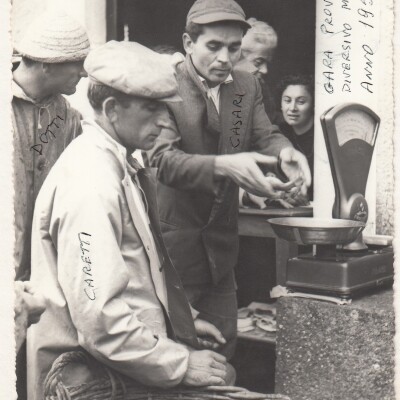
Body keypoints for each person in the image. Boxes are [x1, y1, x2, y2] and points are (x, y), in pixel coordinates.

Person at [27, 41, 235, 400]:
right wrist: (182, 363)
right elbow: (100, 322)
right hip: (86, 378)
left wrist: (181, 318)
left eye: (166, 109)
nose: (164, 122)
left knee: (226, 373)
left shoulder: (117, 163)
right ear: (111, 109)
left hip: (123, 361)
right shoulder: (91, 183)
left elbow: (136, 273)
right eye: (152, 109)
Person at [148, 0, 311, 359]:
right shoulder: (164, 85)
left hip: (222, 254)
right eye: (213, 46)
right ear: (188, 43)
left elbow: (263, 133)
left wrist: (285, 152)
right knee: (176, 361)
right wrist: (225, 166)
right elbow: (163, 162)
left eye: (234, 48)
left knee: (223, 354)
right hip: (173, 256)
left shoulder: (245, 85)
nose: (225, 58)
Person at [13, 10, 90, 281]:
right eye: (78, 62)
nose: (84, 71)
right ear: (48, 64)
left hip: (44, 274)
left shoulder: (67, 115)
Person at [234, 17, 279, 122]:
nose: (265, 70)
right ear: (237, 57)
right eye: (259, 62)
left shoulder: (262, 93)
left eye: (267, 63)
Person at [278, 74, 314, 200]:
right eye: (287, 101)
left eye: (301, 102)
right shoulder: (279, 133)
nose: (292, 108)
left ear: (313, 105)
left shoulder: (321, 134)